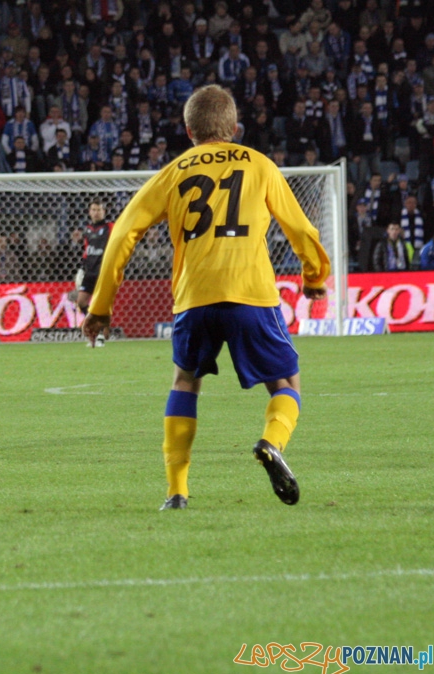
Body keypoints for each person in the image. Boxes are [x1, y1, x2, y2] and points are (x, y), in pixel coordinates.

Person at [82, 85, 331, 510]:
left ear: (188, 129)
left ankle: (176, 492)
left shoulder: (174, 171)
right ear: (234, 127)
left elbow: (123, 233)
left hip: (194, 297)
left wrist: (101, 306)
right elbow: (302, 230)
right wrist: (314, 276)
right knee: (286, 384)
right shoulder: (259, 164)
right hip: (250, 292)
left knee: (185, 381)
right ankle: (271, 444)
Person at [73, 199, 113, 347]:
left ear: (104, 211)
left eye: (99, 210)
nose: (96, 213)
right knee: (81, 302)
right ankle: (96, 329)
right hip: (89, 272)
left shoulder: (110, 227)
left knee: (98, 304)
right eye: (94, 210)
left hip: (103, 271)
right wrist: (81, 269)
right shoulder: (87, 230)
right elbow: (86, 251)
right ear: (90, 212)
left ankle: (100, 334)